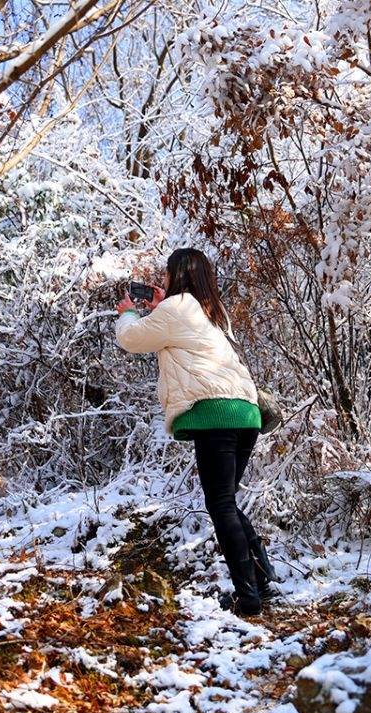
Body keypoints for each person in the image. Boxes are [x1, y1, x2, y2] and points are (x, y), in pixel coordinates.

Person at [114, 248, 279, 616]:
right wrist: (161, 307)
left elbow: (132, 339)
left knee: (220, 504)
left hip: (215, 414)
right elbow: (175, 331)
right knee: (228, 501)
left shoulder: (179, 308)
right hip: (245, 413)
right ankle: (262, 579)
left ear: (177, 275)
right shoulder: (209, 312)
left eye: (168, 274)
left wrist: (127, 311)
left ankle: (248, 596)